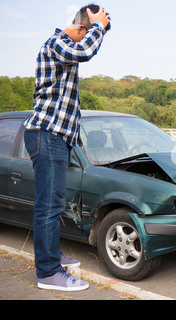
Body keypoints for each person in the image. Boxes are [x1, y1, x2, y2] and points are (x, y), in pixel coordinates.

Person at [23, 4, 111, 291]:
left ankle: (52, 257)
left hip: (55, 136)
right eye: (89, 32)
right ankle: (48, 272)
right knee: (48, 205)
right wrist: (97, 24)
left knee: (54, 203)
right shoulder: (57, 43)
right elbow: (84, 51)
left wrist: (97, 28)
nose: (92, 38)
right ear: (81, 28)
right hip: (47, 134)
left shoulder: (63, 48)